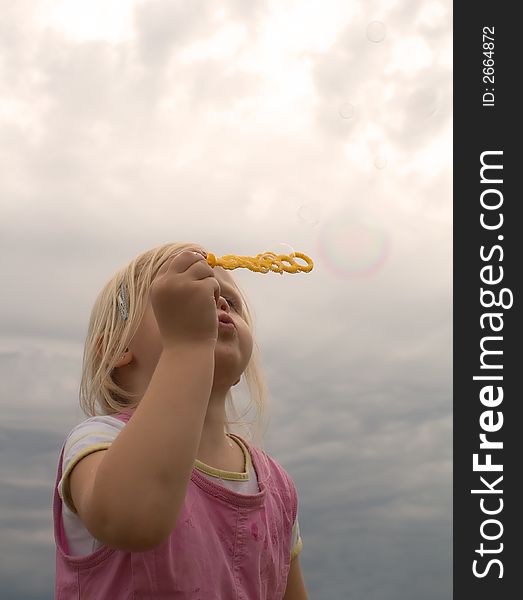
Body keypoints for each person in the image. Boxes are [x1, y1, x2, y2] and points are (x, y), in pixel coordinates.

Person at [52, 241, 308, 599]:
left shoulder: (278, 486)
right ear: (116, 348)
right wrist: (188, 345)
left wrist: (190, 340)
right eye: (181, 302)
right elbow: (133, 519)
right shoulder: (99, 440)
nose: (215, 303)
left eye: (229, 302)